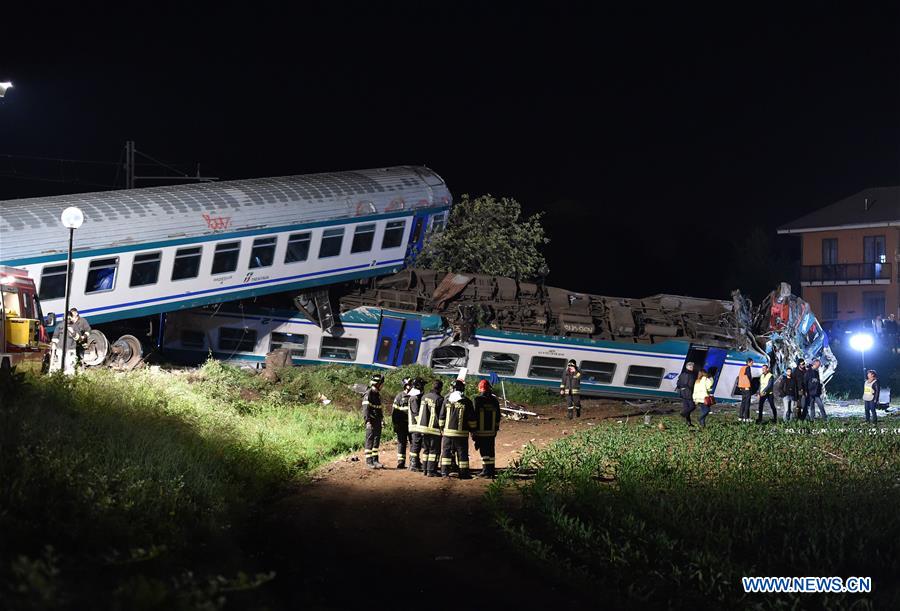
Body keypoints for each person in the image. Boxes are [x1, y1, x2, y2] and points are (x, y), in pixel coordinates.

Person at [439, 378, 476, 479]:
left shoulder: (446, 400)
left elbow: (441, 416)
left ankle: (444, 472)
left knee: (446, 452)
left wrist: (442, 429)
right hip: (461, 434)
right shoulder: (467, 401)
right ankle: (463, 473)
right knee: (462, 454)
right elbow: (471, 418)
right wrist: (473, 430)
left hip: (447, 433)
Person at [472, 379, 501, 477]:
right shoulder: (494, 401)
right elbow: (498, 416)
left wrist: (473, 431)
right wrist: (496, 429)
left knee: (484, 451)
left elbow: (474, 415)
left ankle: (485, 471)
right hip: (491, 432)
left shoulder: (477, 400)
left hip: (481, 431)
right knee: (490, 451)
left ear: (480, 389)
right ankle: (491, 470)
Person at [50, 307, 92, 373]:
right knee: (64, 365)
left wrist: (82, 337)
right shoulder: (61, 326)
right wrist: (55, 346)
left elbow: (85, 333)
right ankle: (63, 377)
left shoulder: (81, 322)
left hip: (73, 348)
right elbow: (55, 338)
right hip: (64, 349)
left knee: (70, 366)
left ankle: (70, 375)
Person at [416, 379, 444, 477]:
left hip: (423, 428)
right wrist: (442, 429)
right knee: (434, 451)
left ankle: (425, 470)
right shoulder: (440, 399)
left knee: (426, 450)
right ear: (440, 388)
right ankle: (431, 471)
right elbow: (441, 416)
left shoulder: (424, 397)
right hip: (434, 429)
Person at [362, 373, 386, 469]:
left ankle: (375, 460)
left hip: (377, 421)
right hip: (371, 421)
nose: (382, 386)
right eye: (381, 383)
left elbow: (379, 409)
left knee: (376, 441)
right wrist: (367, 421)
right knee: (370, 440)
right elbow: (365, 409)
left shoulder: (377, 395)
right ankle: (369, 461)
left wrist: (382, 419)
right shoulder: (368, 394)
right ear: (377, 384)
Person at [391, 377, 413, 469]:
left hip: (412, 425)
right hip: (401, 425)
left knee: (413, 443)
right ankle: (401, 462)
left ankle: (413, 462)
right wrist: (395, 424)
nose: (411, 386)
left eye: (411, 384)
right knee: (401, 443)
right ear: (405, 385)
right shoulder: (399, 396)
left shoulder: (414, 396)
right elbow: (394, 412)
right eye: (409, 384)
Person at [406, 378, 425, 472]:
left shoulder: (415, 396)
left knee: (417, 444)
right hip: (415, 426)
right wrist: (421, 424)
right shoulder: (414, 398)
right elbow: (416, 413)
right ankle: (413, 464)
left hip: (416, 425)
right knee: (416, 444)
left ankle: (416, 462)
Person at [676, 362, 698, 427]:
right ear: (690, 367)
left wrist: (681, 388)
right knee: (692, 406)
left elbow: (678, 383)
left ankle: (688, 423)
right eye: (692, 367)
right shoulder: (691, 375)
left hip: (682, 393)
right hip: (688, 392)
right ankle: (683, 413)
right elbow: (691, 385)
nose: (693, 368)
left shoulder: (682, 374)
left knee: (686, 407)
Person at [737, 358, 754, 423]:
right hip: (747, 387)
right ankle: (746, 417)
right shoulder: (748, 368)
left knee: (743, 402)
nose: (752, 363)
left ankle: (740, 417)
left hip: (742, 387)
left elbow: (740, 377)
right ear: (749, 362)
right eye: (752, 362)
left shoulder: (742, 368)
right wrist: (751, 385)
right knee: (747, 403)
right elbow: (749, 377)